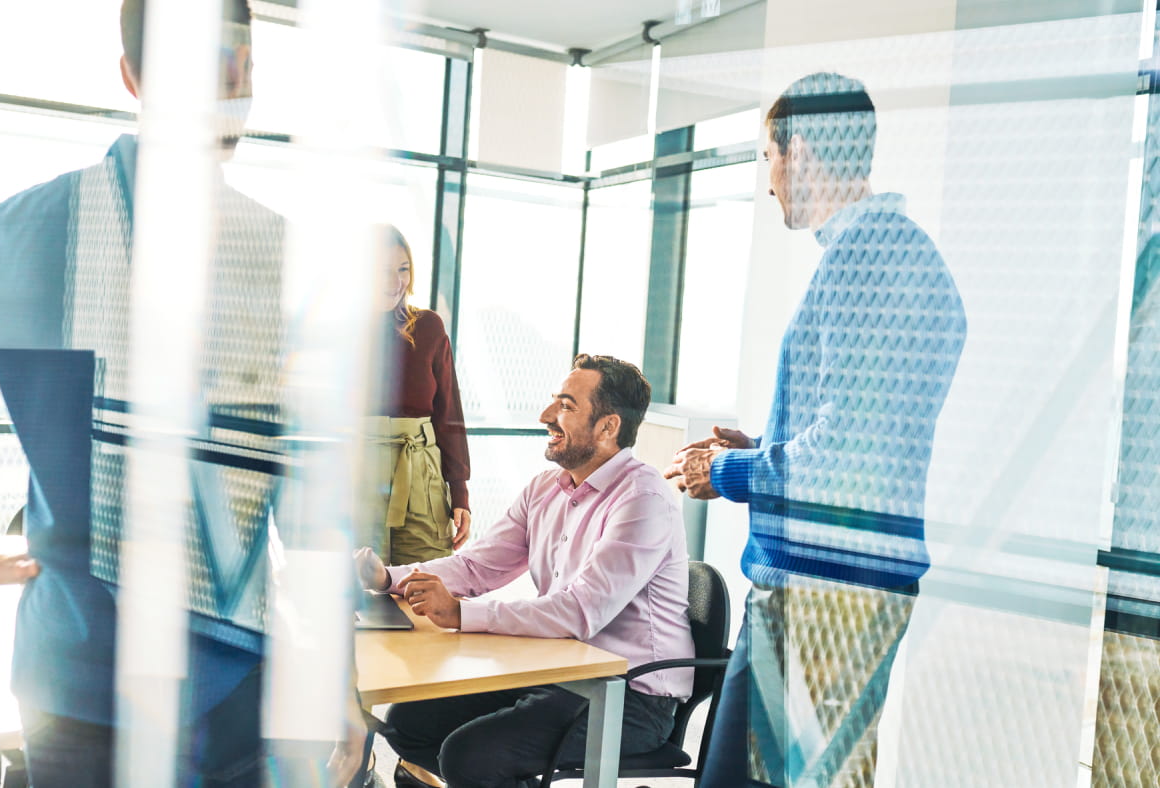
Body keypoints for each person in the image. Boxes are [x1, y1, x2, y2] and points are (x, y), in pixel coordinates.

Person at [0, 2, 361, 785]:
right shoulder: (284, 263)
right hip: (228, 679)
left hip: (71, 669)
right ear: (247, 77)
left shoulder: (19, 233)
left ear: (132, 76)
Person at [664, 72, 967, 787]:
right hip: (835, 586)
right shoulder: (897, 256)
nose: (769, 182)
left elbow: (841, 455)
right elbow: (862, 440)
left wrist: (727, 472)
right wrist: (762, 454)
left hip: (821, 593)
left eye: (768, 156)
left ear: (799, 149)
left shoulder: (867, 260)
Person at [356, 354, 695, 788]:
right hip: (560, 671)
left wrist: (459, 614)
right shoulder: (544, 488)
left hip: (631, 695)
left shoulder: (643, 499)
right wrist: (388, 578)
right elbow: (477, 566)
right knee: (409, 723)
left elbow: (578, 612)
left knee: (470, 756)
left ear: (608, 427)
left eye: (567, 406)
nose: (546, 416)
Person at [366, 225, 472, 564]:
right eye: (383, 270)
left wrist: (460, 492)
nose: (395, 282)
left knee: (426, 579)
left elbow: (449, 413)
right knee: (356, 586)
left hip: (421, 471)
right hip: (357, 471)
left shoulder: (428, 327)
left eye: (403, 269)